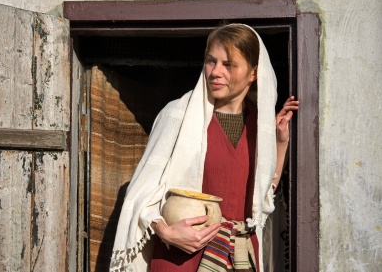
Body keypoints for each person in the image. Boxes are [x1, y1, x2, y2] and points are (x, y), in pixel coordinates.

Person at [110, 24, 300, 272]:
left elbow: (263, 197)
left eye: (228, 64)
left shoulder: (260, 124)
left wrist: (280, 141)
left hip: (238, 256)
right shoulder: (178, 115)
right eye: (211, 61)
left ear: (253, 73)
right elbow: (141, 193)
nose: (215, 72)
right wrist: (165, 232)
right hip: (181, 257)